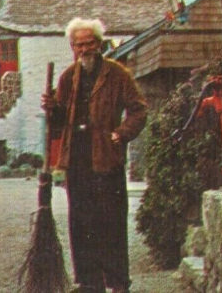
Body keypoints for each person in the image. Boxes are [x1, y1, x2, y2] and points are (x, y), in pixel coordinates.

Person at [41, 17, 148, 293]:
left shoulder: (117, 74)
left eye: (90, 44)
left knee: (111, 221)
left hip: (106, 157)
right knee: (81, 220)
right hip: (77, 158)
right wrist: (53, 109)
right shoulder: (67, 77)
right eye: (79, 45)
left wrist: (121, 133)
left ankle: (118, 283)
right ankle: (89, 283)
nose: (85, 50)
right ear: (72, 47)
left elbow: (139, 109)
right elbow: (58, 125)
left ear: (99, 45)